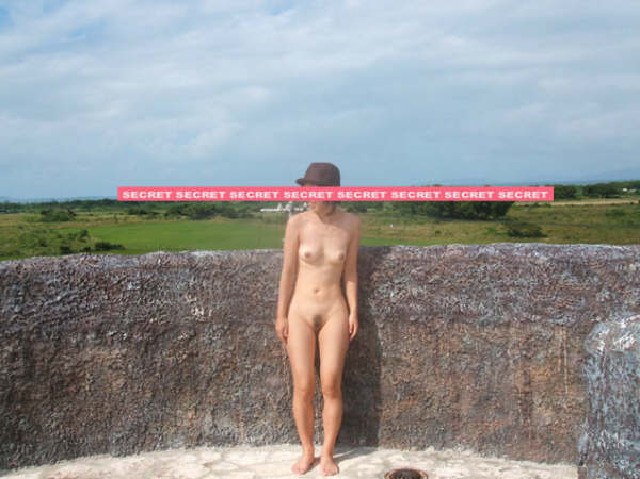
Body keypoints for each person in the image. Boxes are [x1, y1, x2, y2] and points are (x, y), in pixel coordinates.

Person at [275, 163, 361, 476]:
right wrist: (280, 314)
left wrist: (354, 310)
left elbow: (350, 272)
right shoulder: (297, 223)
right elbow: (288, 272)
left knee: (331, 384)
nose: (306, 195)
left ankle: (327, 453)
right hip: (300, 310)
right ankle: (307, 450)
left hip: (334, 310)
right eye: (305, 189)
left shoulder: (351, 224)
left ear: (329, 192)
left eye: (311, 190)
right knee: (303, 385)